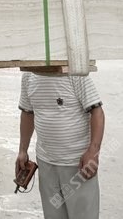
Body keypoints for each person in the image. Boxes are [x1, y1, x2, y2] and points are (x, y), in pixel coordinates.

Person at [16, 71, 105, 219]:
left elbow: (97, 112)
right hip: (46, 164)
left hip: (77, 165)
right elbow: (27, 113)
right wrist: (22, 150)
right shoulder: (29, 76)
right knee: (53, 215)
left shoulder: (75, 74)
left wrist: (93, 152)